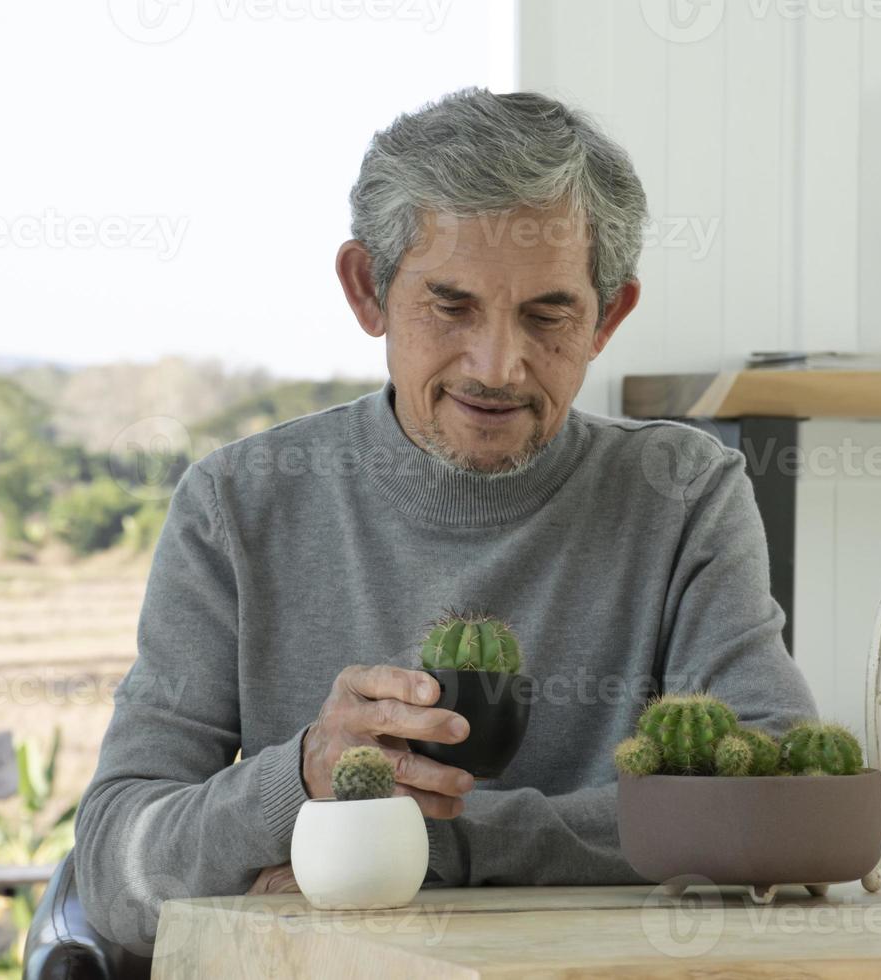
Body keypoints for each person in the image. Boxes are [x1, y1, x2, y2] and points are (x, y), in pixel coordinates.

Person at [73, 86, 819, 952]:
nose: (498, 366)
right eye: (452, 306)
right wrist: (304, 774)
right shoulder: (237, 504)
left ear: (608, 317)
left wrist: (425, 846)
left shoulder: (683, 492)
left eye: (550, 315)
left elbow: (781, 803)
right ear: (368, 291)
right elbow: (115, 872)